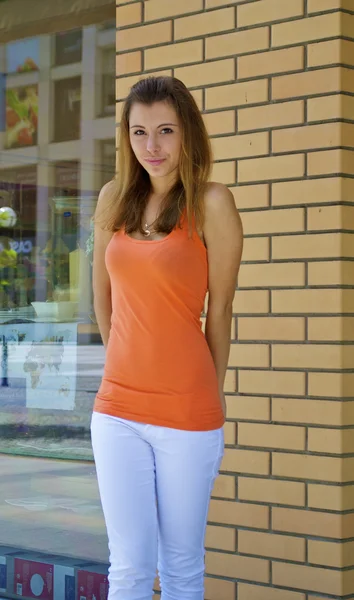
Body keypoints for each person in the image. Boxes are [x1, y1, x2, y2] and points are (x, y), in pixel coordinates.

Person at [91, 75, 243, 600]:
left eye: (164, 131)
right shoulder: (113, 199)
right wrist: (125, 366)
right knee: (128, 568)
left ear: (188, 135)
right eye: (138, 132)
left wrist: (211, 394)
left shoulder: (214, 204)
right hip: (116, 411)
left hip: (188, 411)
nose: (151, 146)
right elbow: (102, 300)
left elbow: (219, 312)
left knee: (180, 568)